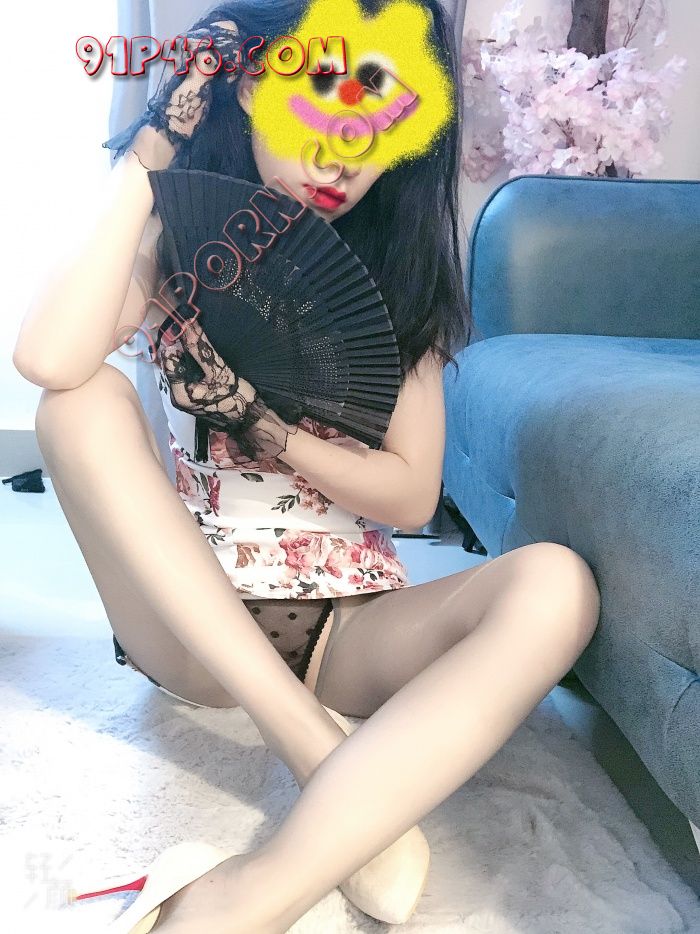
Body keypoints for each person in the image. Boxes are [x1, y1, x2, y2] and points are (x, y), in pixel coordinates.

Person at [13, 1, 601, 931]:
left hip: (346, 633)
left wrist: (265, 426)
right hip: (190, 622)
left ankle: (250, 892)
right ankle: (312, 749)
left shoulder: (395, 273)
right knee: (77, 403)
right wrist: (150, 156)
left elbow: (411, 493)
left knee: (558, 586)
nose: (339, 160)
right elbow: (48, 359)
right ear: (253, 85)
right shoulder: (183, 242)